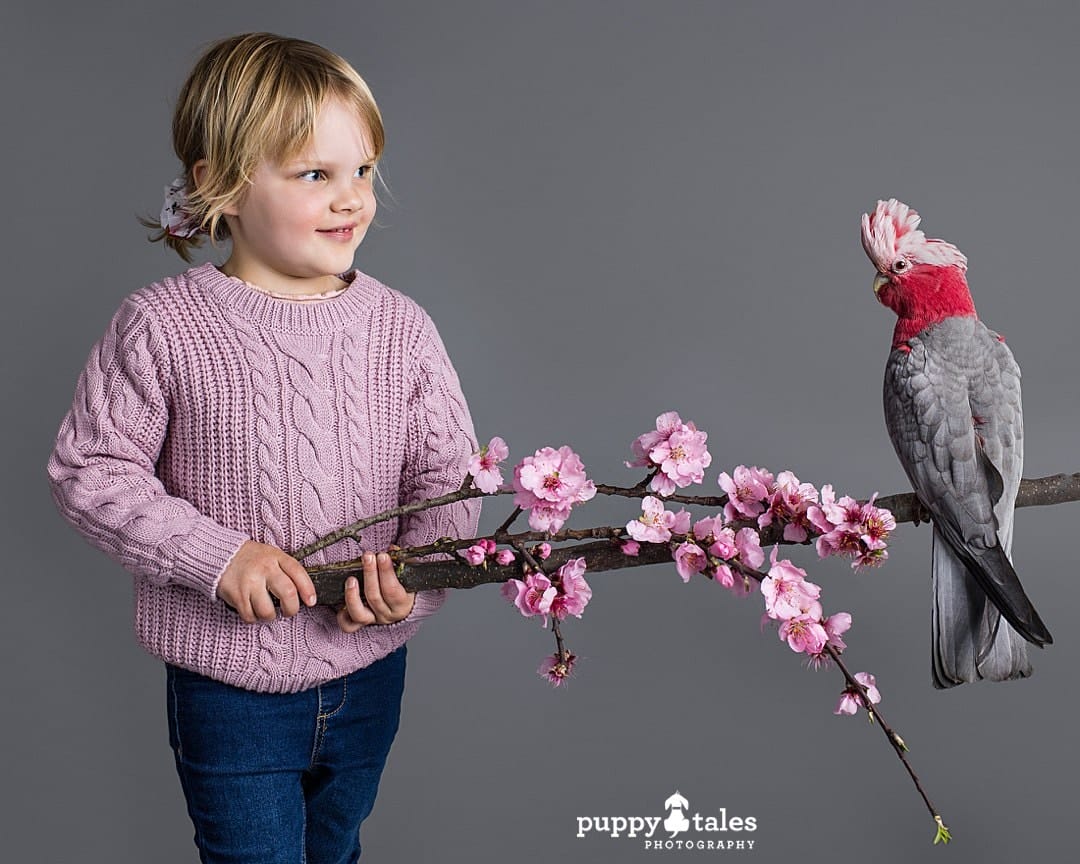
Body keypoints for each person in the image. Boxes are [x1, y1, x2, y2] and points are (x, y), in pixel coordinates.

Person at [46, 32, 480, 863]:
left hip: (369, 670)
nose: (350, 197)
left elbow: (450, 483)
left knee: (337, 848)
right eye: (314, 174)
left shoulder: (401, 330)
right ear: (220, 186)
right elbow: (90, 471)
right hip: (229, 688)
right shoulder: (164, 325)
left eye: (362, 171)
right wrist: (217, 556)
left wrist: (414, 583)